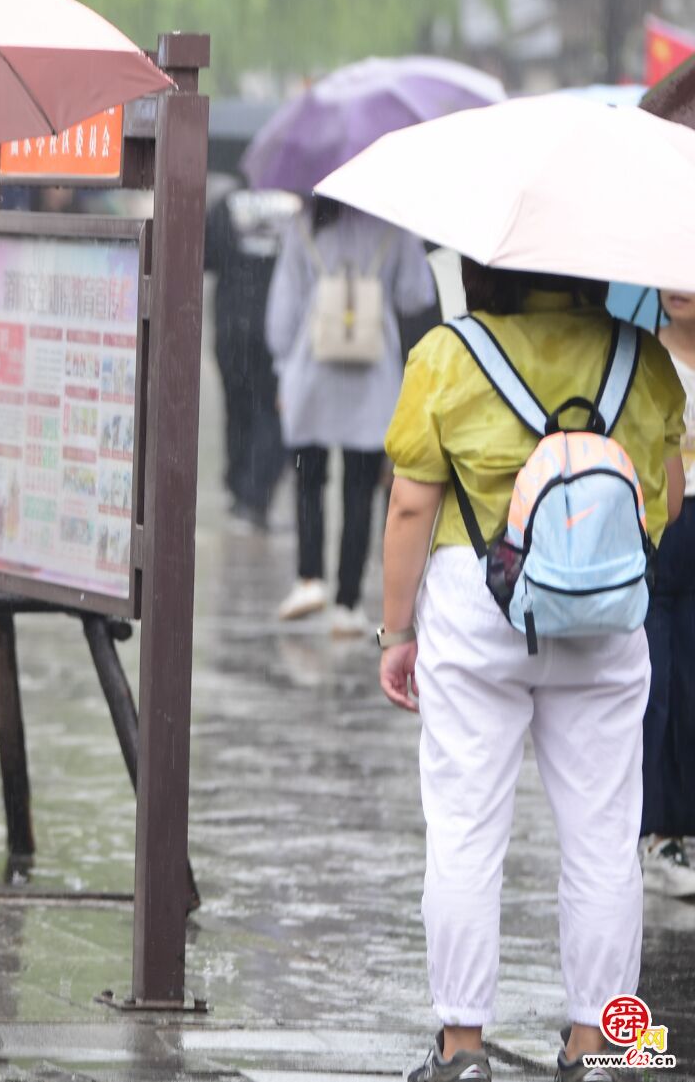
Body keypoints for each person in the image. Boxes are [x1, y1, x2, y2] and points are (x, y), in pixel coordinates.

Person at [379, 262, 686, 1082]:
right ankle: (599, 1044)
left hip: (476, 605)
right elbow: (668, 502)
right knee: (603, 836)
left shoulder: (447, 354)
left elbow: (411, 504)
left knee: (466, 830)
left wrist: (394, 629)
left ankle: (463, 1045)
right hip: (606, 622)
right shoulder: (643, 359)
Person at [265, 196, 436, 634]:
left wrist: (282, 367)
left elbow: (284, 304)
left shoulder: (307, 221)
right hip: (372, 377)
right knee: (360, 491)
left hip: (311, 371)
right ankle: (348, 602)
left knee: (308, 478)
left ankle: (309, 578)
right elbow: (416, 293)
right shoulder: (391, 223)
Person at [204, 174, 300, 531]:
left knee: (237, 407)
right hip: (276, 326)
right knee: (272, 412)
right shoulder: (295, 209)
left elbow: (206, 257)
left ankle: (238, 485)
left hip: (232, 325)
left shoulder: (226, 205)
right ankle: (255, 492)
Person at [642, 287, 695, 896]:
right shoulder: (645, 355)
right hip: (658, 527)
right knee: (653, 683)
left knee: (690, 685)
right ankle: (654, 832)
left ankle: (683, 824)